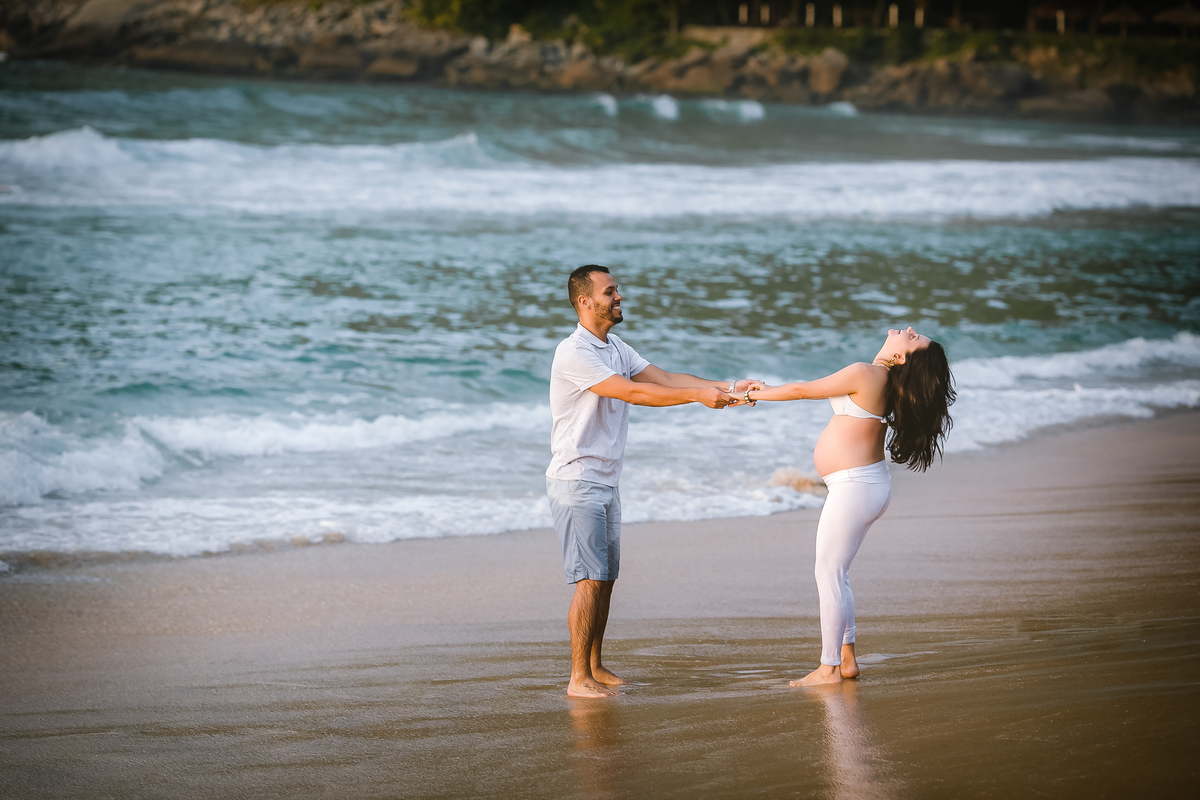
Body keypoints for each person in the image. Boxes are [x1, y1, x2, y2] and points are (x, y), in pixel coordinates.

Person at [547, 265, 755, 698]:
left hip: (605, 480)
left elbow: (664, 380)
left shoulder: (616, 347)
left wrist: (730, 387)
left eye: (616, 290)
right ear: (585, 301)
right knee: (589, 578)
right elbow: (633, 394)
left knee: (604, 578)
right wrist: (698, 397)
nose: (618, 297)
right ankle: (576, 678)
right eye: (610, 292)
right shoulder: (574, 352)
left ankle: (596, 666)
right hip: (576, 480)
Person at [745, 327, 955, 686]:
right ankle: (846, 658)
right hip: (865, 485)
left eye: (914, 337)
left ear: (902, 358)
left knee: (828, 573)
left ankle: (827, 670)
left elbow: (801, 390)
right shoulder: (884, 380)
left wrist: (757, 393)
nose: (909, 330)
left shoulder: (867, 373)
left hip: (855, 487)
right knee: (837, 573)